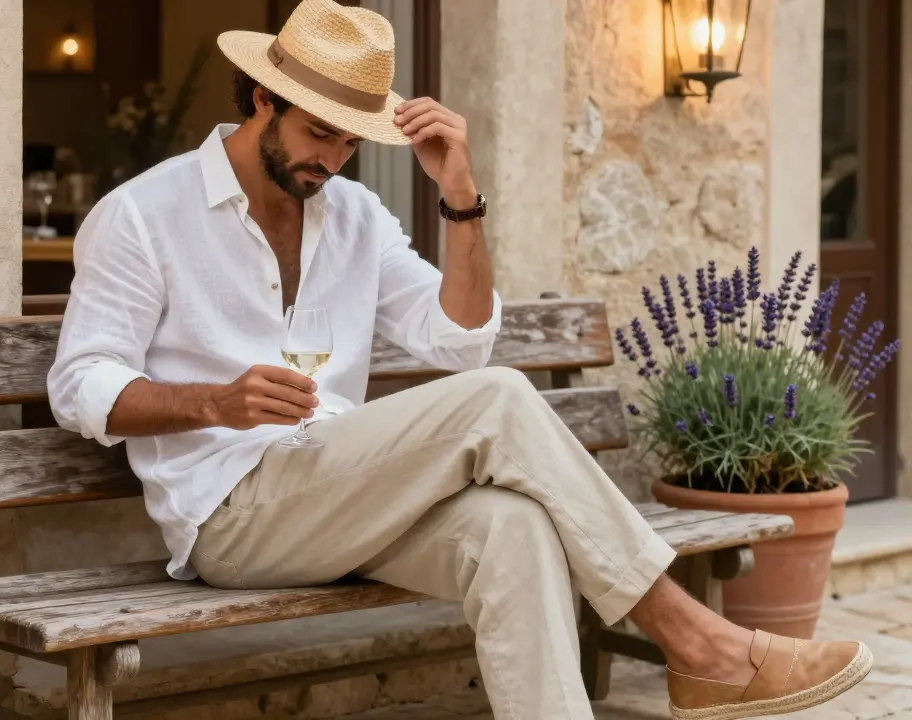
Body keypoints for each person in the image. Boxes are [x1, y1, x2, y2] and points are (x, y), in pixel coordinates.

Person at [47, 1, 872, 717]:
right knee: (499, 398)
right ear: (263, 97)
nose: (330, 160)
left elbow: (459, 338)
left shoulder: (357, 217)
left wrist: (461, 197)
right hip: (232, 513)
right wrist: (211, 403)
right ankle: (699, 643)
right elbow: (78, 384)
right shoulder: (145, 215)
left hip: (348, 493)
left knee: (512, 528)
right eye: (317, 133)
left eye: (349, 144)